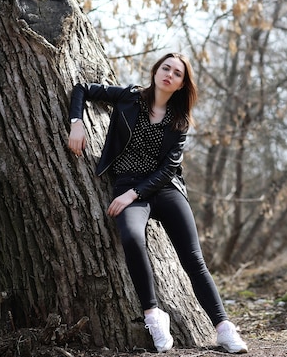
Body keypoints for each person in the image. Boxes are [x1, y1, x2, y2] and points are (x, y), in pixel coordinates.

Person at [67, 53, 248, 354]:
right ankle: (153, 314)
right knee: (131, 236)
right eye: (166, 68)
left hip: (164, 188)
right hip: (126, 182)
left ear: (180, 85)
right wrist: (76, 123)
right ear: (155, 71)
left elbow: (167, 169)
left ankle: (224, 328)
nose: (169, 75)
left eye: (177, 74)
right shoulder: (129, 97)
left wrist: (132, 195)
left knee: (194, 260)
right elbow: (82, 88)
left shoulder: (180, 120)